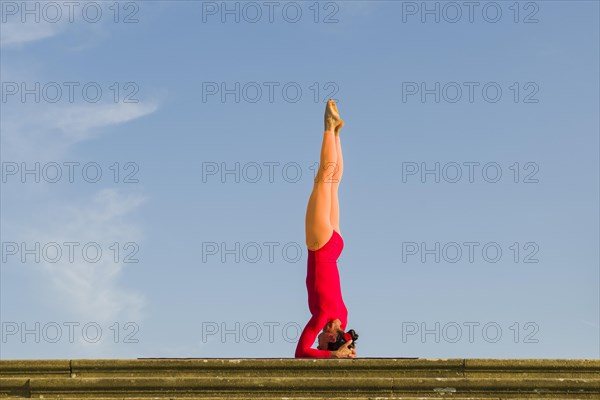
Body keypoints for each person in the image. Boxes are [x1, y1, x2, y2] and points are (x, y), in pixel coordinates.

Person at [295, 99, 357, 359]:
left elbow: (347, 339)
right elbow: (301, 353)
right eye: (322, 342)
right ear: (330, 337)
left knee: (333, 183)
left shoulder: (343, 315)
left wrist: (346, 349)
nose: (317, 339)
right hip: (321, 245)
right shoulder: (321, 316)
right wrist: (333, 356)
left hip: (335, 245)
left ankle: (337, 133)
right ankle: (328, 127)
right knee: (323, 179)